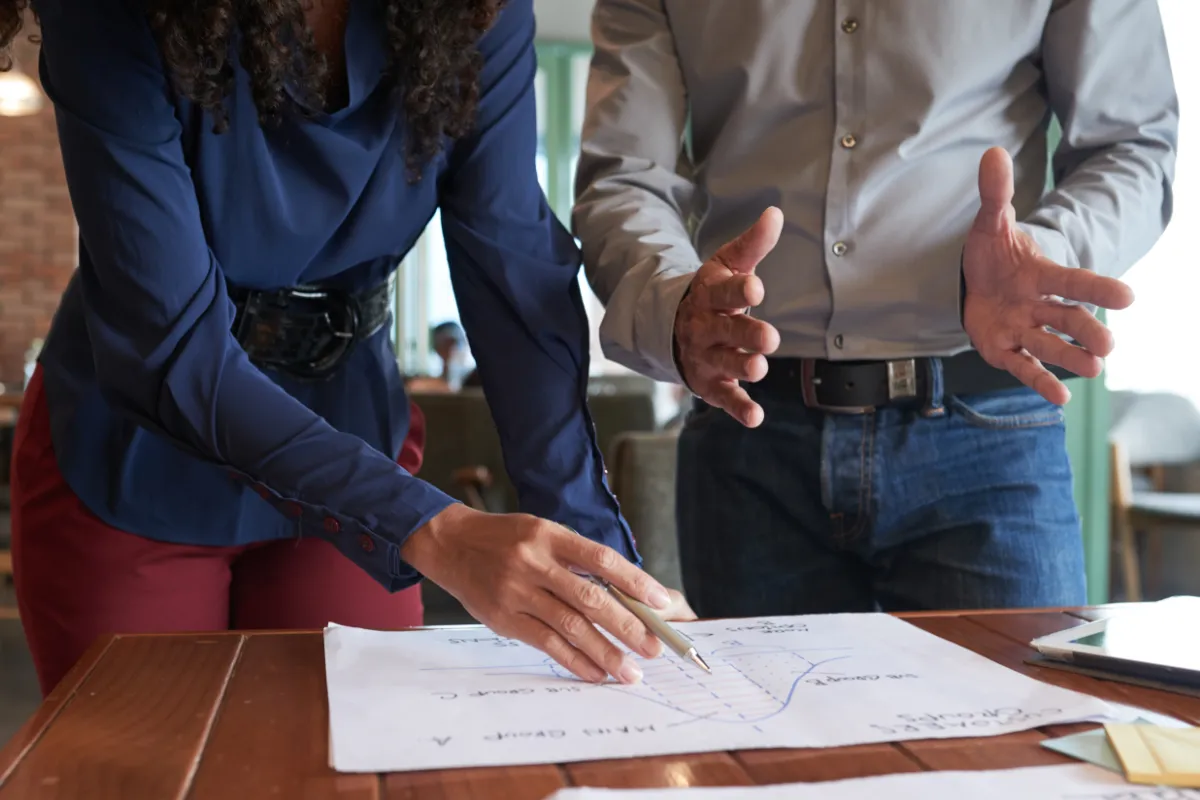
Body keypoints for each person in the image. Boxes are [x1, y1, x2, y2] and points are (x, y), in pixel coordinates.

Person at [1, 0, 691, 697]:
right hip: (135, 456)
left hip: (352, 439)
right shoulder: (107, 12)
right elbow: (170, 345)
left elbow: (511, 284)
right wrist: (434, 529)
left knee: (356, 755)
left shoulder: (481, 11)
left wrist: (598, 564)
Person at [574, 1, 1177, 615]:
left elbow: (1132, 143)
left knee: (1023, 713)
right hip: (749, 431)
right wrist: (678, 304)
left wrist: (1047, 250)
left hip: (987, 432)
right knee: (754, 714)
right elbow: (624, 177)